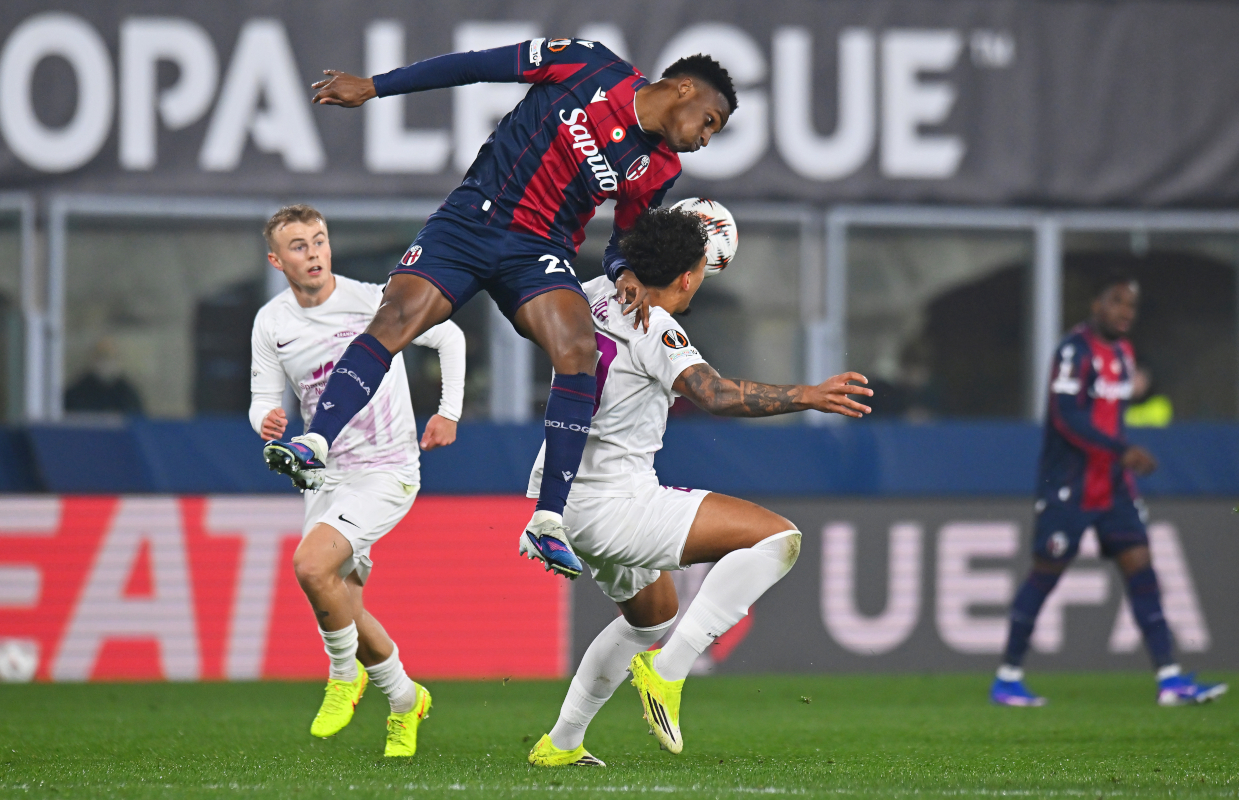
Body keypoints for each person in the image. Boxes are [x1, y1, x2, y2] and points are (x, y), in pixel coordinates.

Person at [261, 38, 736, 581]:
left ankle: (548, 522)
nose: (704, 139)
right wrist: (376, 86)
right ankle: (315, 442)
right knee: (396, 318)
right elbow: (474, 66)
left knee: (580, 350)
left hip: (539, 251)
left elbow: (620, 243)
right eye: (710, 121)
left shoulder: (657, 167)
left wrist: (624, 271)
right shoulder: (589, 63)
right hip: (470, 223)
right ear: (684, 89)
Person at [523, 208, 873, 767]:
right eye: (701, 275)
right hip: (617, 504)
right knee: (778, 539)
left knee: (653, 615)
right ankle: (668, 673)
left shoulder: (594, 290)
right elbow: (714, 394)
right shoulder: (658, 326)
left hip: (562, 496)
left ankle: (561, 743)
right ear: (687, 277)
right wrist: (806, 395)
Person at [250, 205, 467, 756]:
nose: (314, 252)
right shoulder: (272, 322)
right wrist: (266, 421)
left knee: (309, 565)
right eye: (298, 246)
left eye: (319, 240)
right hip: (324, 478)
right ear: (277, 260)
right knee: (342, 599)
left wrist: (449, 411)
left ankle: (343, 676)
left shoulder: (375, 301)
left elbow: (451, 338)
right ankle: (404, 701)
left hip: (387, 470)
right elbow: (261, 401)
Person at [991, 272, 1226, 707]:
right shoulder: (1072, 351)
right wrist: (1122, 449)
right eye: (1117, 302)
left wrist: (1134, 409)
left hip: (1114, 486)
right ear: (1096, 304)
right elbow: (1066, 416)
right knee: (1046, 574)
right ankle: (1007, 677)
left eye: (1131, 306)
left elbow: (1108, 408)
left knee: (1141, 568)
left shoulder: (1122, 352)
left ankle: (1169, 679)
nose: (1125, 313)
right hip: (1071, 484)